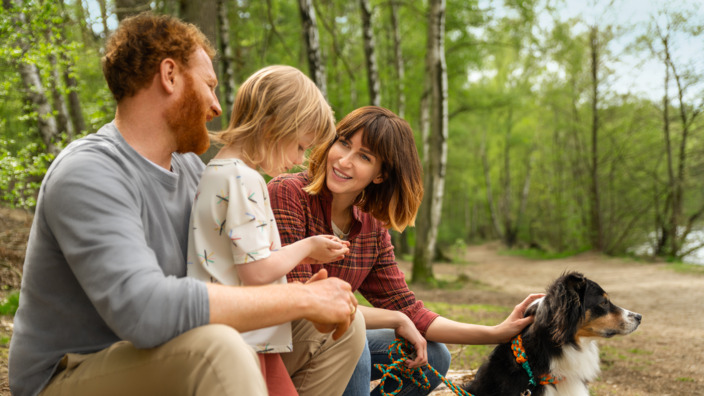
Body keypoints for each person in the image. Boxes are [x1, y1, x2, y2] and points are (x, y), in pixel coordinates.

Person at [8, 12, 363, 396]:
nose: (216, 105)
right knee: (219, 349)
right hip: (72, 372)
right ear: (170, 75)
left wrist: (301, 301)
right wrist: (296, 297)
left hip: (171, 350)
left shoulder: (195, 170)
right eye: (209, 85)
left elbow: (221, 273)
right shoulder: (89, 171)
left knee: (343, 330)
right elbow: (143, 309)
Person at [268, 106, 544, 396]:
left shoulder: (371, 227)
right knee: (353, 337)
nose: (344, 161)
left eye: (364, 157)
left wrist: (495, 333)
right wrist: (396, 320)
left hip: (332, 337)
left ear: (380, 174)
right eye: (344, 143)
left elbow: (409, 309)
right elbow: (302, 296)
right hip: (278, 341)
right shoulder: (288, 193)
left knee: (434, 358)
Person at [186, 65, 357, 396]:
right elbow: (258, 271)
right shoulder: (243, 179)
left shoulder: (218, 171)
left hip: (239, 333)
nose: (299, 160)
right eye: (299, 146)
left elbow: (243, 261)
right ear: (271, 128)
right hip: (245, 337)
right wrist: (307, 247)